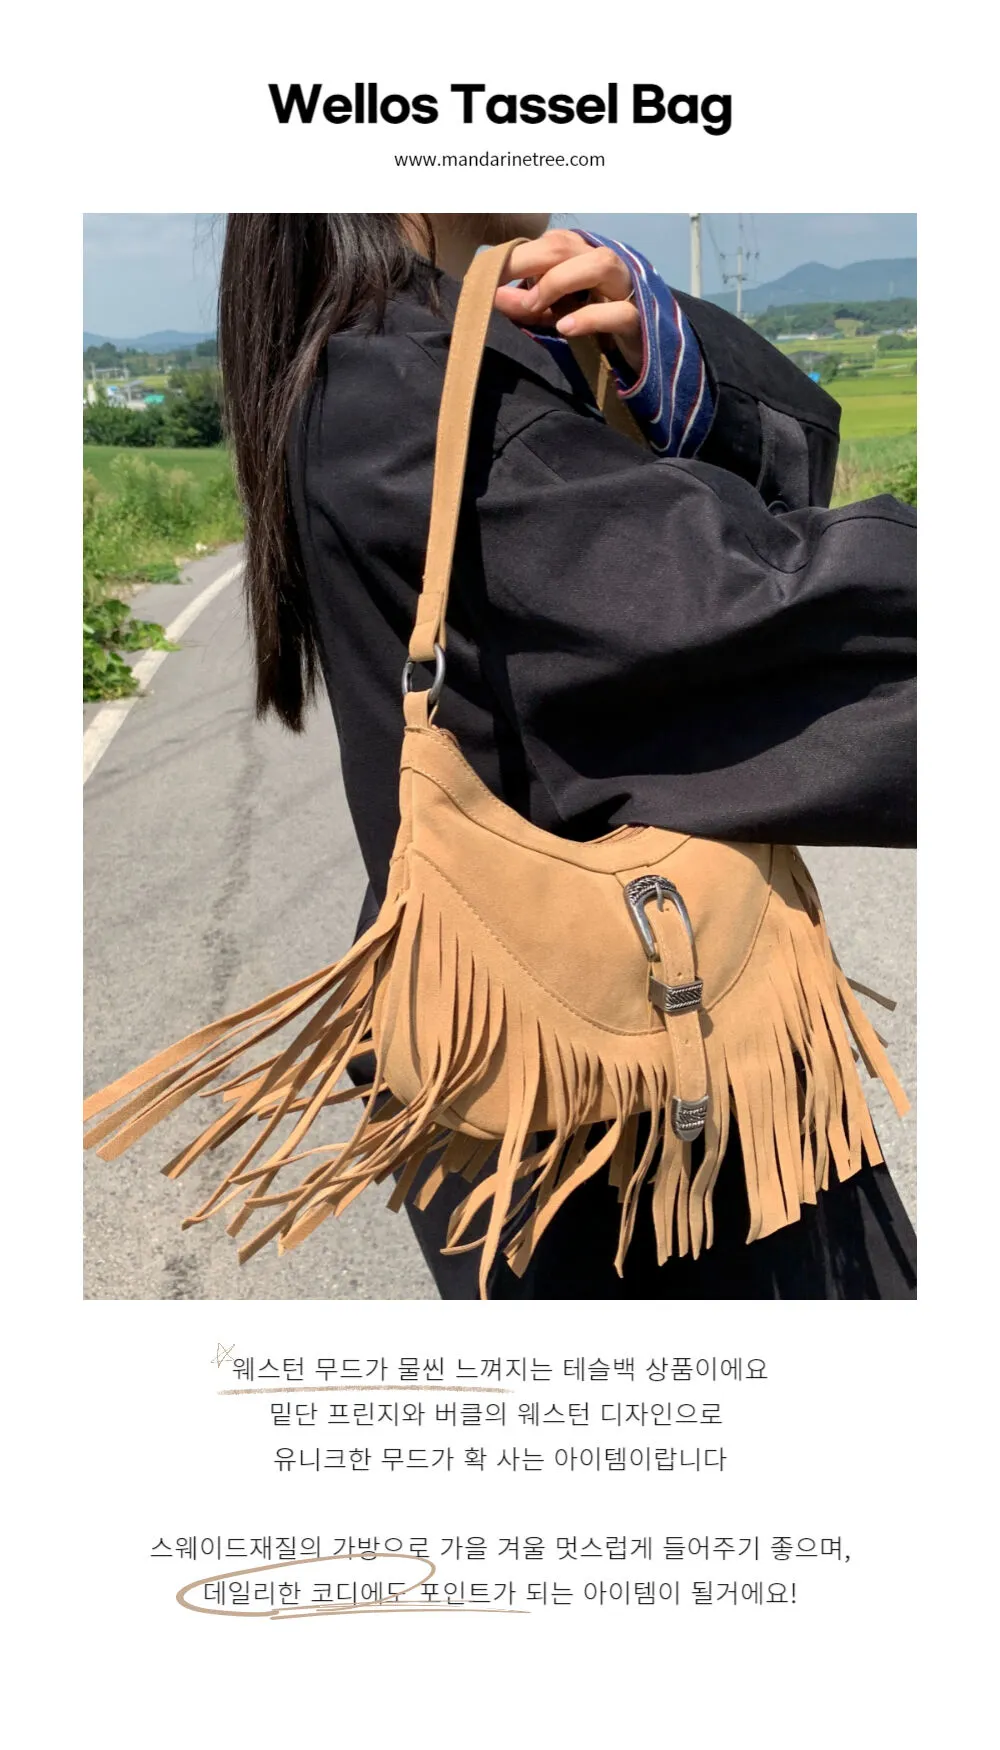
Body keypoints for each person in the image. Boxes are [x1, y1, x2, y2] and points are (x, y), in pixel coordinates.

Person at [210, 213, 916, 1299]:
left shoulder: (387, 363)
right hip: (635, 1143)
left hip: (564, 1091)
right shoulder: (416, 388)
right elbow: (762, 607)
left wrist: (659, 358)